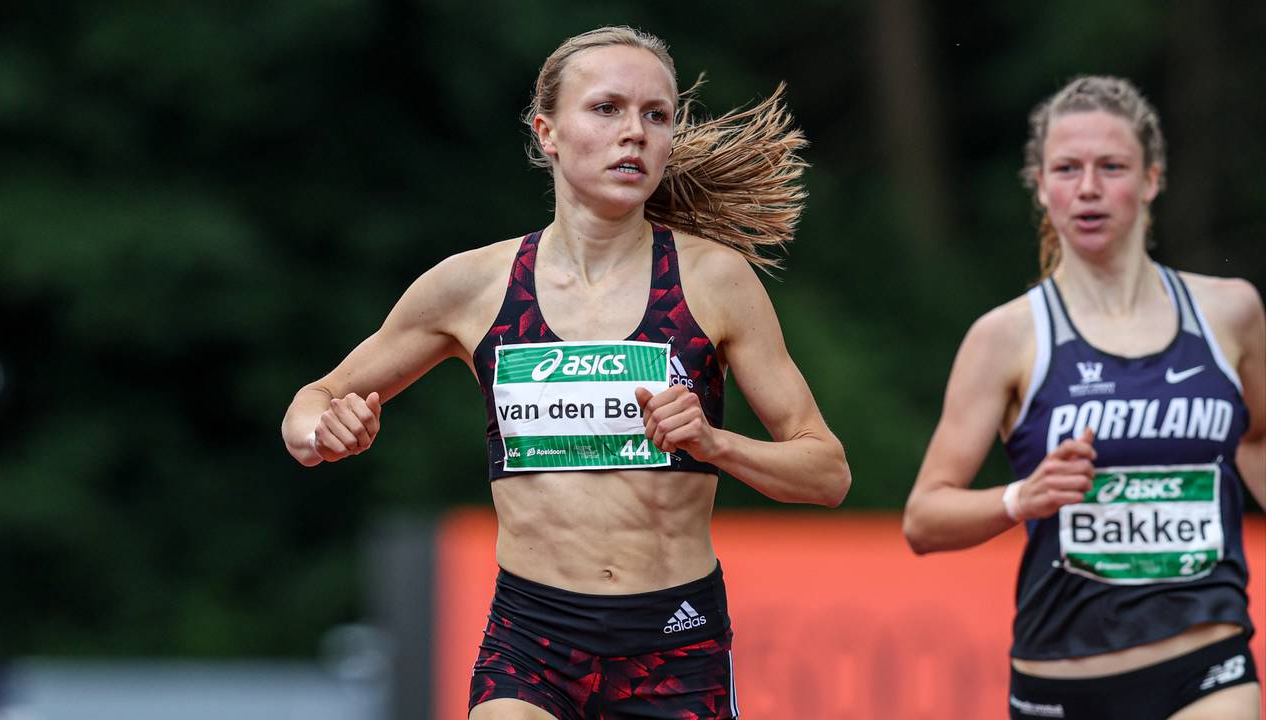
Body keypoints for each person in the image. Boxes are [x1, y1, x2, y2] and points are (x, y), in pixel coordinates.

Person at [282, 26, 850, 720]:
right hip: (532, 641)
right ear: (548, 132)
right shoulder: (472, 286)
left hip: (675, 642)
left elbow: (826, 474)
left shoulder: (714, 281)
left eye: (656, 114)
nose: (634, 133)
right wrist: (322, 432)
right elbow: (314, 402)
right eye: (607, 109)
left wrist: (714, 444)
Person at [904, 75, 1264, 719]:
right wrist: (1022, 497)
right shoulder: (1006, 337)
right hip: (1064, 678)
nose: (1089, 188)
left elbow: (1257, 440)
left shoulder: (1231, 314)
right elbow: (924, 520)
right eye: (1067, 169)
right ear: (1041, 186)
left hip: (1209, 660)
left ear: (1151, 179)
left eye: (1112, 167)